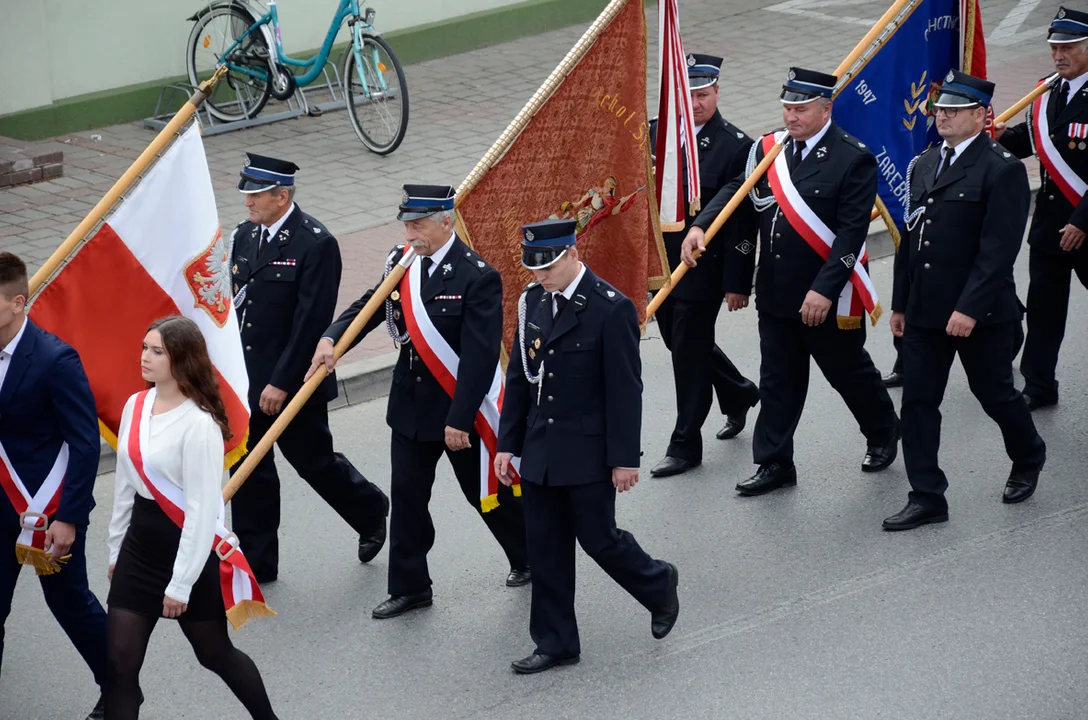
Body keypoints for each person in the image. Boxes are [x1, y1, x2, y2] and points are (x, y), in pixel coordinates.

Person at [310, 184, 529, 620]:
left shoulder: (477, 276)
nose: (411, 233)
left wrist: (460, 419)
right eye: (407, 225)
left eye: (419, 225)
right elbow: (371, 307)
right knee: (408, 497)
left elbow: (480, 358)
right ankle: (411, 587)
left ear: (446, 222)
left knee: (485, 496)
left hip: (455, 411)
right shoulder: (403, 263)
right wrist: (333, 337)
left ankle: (529, 556)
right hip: (410, 408)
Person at [682, 67, 901, 496]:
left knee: (848, 373)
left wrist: (823, 289)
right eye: (786, 108)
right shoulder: (771, 150)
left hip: (827, 296)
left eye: (801, 109)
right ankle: (774, 462)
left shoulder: (852, 157)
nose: (791, 117)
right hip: (779, 293)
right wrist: (701, 227)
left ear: (826, 109)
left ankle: (882, 430)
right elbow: (736, 193)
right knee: (778, 380)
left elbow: (851, 235)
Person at [495, 219, 679, 675]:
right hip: (540, 449)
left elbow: (624, 390)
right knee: (546, 548)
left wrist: (623, 459)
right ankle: (556, 642)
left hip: (588, 450)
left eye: (549, 267)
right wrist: (507, 446)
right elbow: (520, 379)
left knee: (600, 540)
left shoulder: (608, 308)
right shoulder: (531, 303)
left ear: (573, 254)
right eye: (535, 269)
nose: (540, 276)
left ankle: (658, 583)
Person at [884, 73, 1047, 531]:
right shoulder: (924, 162)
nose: (943, 117)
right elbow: (909, 241)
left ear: (980, 115)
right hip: (924, 311)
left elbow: (999, 251)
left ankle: (1029, 453)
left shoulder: (1002, 168)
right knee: (917, 403)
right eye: (940, 110)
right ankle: (927, 496)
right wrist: (900, 303)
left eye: (954, 110)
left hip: (982, 314)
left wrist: (969, 309)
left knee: (993, 393)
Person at [106, 316, 277, 719]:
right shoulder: (136, 404)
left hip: (188, 550)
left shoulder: (199, 425)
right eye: (144, 347)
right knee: (119, 664)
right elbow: (125, 487)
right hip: (140, 547)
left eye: (156, 351)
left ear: (181, 359)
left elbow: (202, 514)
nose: (144, 357)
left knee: (214, 653)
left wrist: (180, 585)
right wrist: (116, 550)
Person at [229, 153, 389, 583]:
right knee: (247, 467)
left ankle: (370, 508)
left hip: (294, 381)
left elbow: (310, 324)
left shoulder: (316, 243)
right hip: (246, 377)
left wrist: (280, 383)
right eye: (246, 194)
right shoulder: (244, 236)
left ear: (282, 196)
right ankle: (256, 561)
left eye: (256, 195)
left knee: (313, 462)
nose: (247, 203)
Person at [0, 252, 108, 719]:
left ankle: (120, 686)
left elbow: (84, 445)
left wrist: (69, 518)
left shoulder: (54, 358)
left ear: (18, 303)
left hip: (47, 514)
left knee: (70, 605)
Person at [648, 53, 761, 478]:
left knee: (688, 354)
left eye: (704, 94)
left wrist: (738, 282)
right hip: (662, 265)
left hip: (702, 268)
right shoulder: (655, 135)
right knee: (679, 342)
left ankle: (684, 445)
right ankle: (738, 393)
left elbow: (742, 221)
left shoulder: (736, 146)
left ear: (717, 93)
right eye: (688, 95)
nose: (696, 103)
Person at [994, 6, 1088, 410]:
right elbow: (1032, 142)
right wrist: (1000, 136)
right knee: (1045, 310)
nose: (1058, 55)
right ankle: (1038, 385)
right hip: (1051, 225)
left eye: (1068, 46)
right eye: (1053, 47)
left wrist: (1083, 221)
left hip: (1085, 224)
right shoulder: (1047, 90)